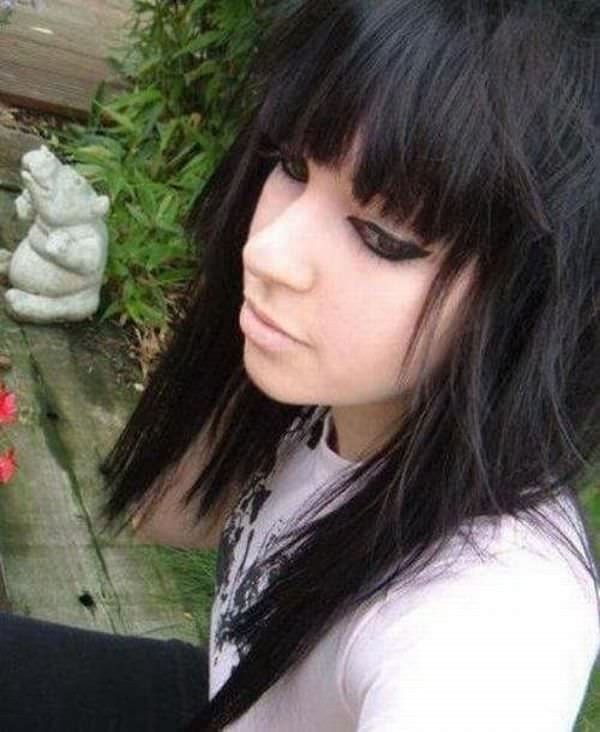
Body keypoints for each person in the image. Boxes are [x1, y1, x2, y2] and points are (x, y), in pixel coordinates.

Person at [0, 0, 598, 730]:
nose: (266, 251)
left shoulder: (492, 614)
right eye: (290, 166)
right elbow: (169, 512)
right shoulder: (346, 401)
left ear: (542, 298)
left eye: (382, 236)